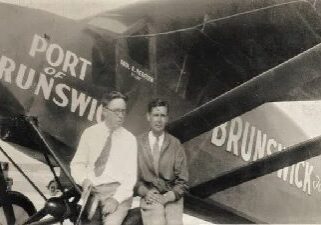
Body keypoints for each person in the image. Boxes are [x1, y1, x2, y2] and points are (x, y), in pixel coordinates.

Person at [70, 91, 137, 225]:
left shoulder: (130, 139)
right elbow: (77, 164)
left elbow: (130, 178)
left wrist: (116, 200)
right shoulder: (90, 133)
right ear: (104, 111)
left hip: (116, 193)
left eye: (123, 111)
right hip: (92, 192)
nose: (120, 115)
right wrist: (84, 180)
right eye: (116, 111)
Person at [135, 99, 189, 225]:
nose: (159, 120)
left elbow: (183, 182)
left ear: (167, 119)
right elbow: (132, 177)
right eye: (155, 115)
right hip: (150, 196)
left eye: (162, 116)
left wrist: (167, 198)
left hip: (172, 197)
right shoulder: (137, 143)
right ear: (148, 117)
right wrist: (145, 192)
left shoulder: (176, 144)